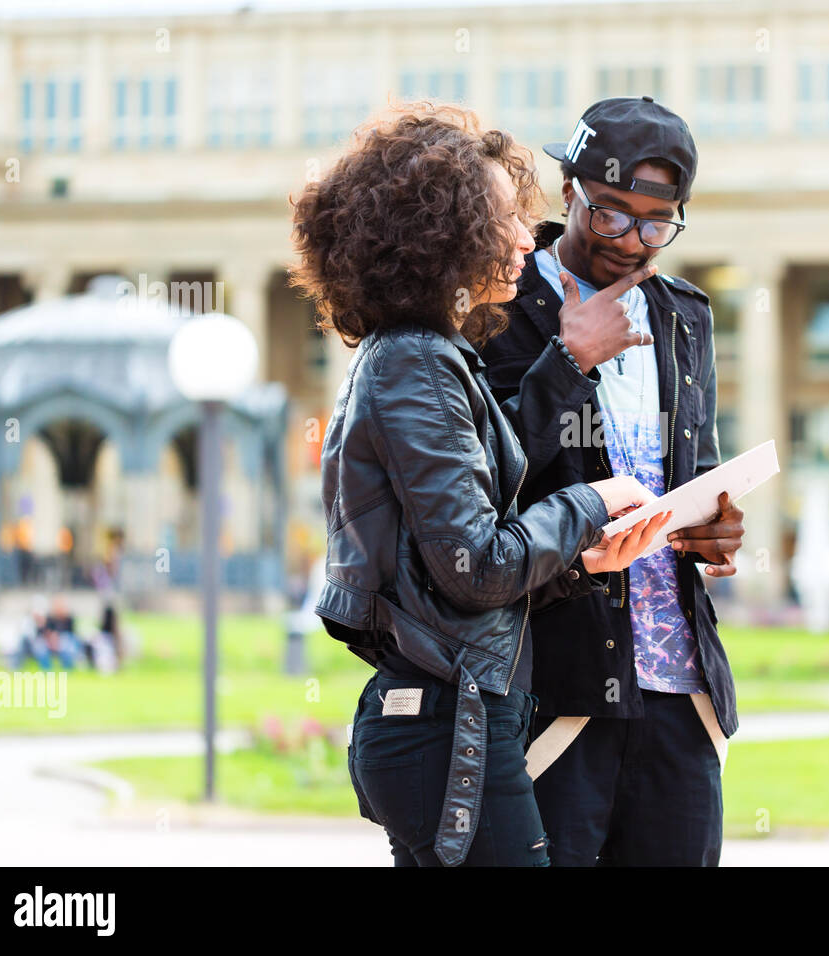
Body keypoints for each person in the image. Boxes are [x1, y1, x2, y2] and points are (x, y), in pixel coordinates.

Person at [293, 101, 671, 866]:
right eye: (503, 219)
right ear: (441, 236)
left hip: (455, 718)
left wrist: (580, 560)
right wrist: (591, 501)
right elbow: (477, 566)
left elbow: (462, 555)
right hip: (446, 726)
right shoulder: (414, 362)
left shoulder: (428, 357)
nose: (524, 240)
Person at [479, 96, 746, 866]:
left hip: (678, 692)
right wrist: (567, 362)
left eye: (656, 221)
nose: (631, 241)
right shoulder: (497, 299)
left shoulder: (686, 316)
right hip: (559, 686)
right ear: (570, 193)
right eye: (610, 214)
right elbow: (480, 482)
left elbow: (689, 476)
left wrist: (715, 533)